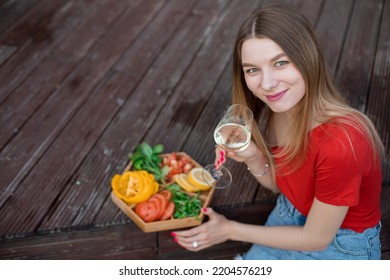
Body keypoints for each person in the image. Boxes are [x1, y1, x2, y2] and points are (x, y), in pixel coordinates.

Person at [171, 2, 384, 259]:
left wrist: (229, 230)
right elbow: (285, 187)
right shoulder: (280, 110)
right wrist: (253, 157)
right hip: (291, 213)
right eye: (252, 70)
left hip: (339, 243)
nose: (268, 84)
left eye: (280, 63)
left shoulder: (342, 143)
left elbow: (315, 239)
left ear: (308, 58)